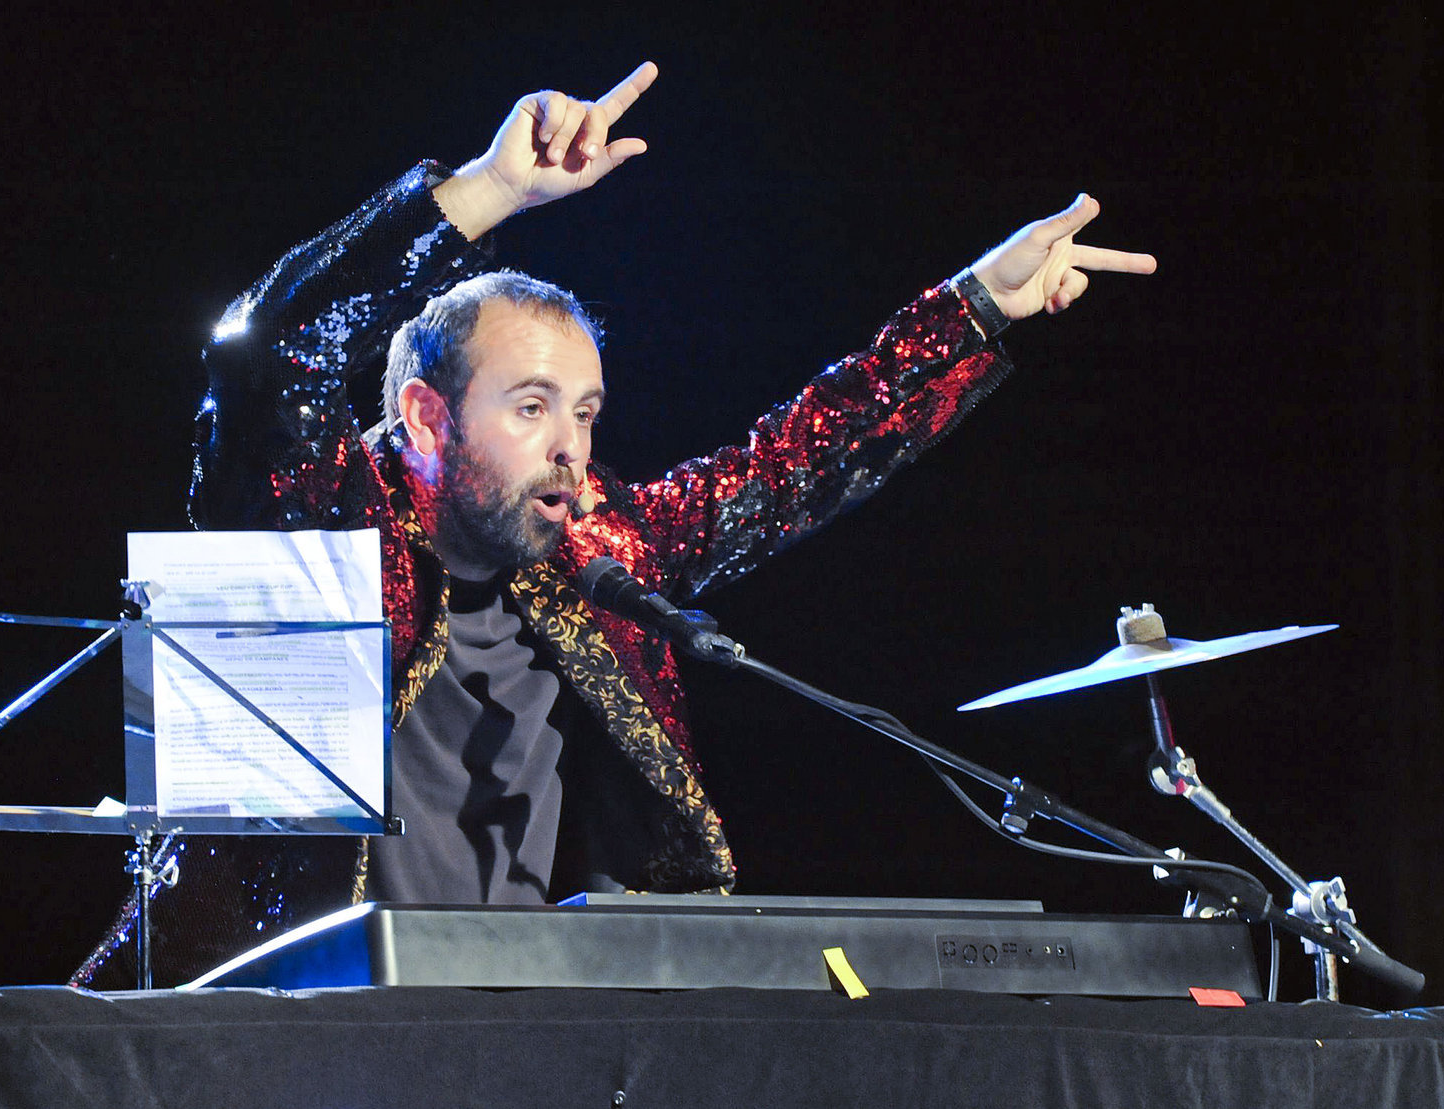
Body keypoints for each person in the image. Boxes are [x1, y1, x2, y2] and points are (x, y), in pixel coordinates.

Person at [73, 62, 1155, 987]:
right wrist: (490, 189)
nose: (571, 448)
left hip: (548, 1036)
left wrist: (975, 307)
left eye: (585, 412)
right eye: (531, 406)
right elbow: (269, 351)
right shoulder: (317, 521)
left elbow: (791, 465)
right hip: (288, 1034)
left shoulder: (601, 551)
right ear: (426, 417)